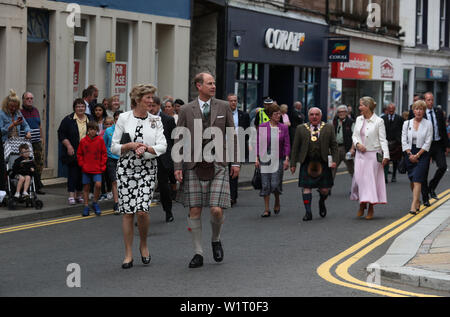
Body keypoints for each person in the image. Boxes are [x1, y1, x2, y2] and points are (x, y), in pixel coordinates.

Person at [174, 72, 240, 268]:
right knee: (195, 210)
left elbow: (232, 135)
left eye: (214, 83)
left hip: (218, 163)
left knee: (216, 209)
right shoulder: (186, 109)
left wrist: (235, 162)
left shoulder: (224, 106)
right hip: (193, 164)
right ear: (198, 86)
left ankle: (216, 238)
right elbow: (178, 138)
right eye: (209, 83)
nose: (213, 86)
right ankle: (198, 253)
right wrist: (178, 166)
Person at [111, 84, 167, 269]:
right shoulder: (124, 118)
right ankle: (128, 253)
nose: (151, 101)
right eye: (148, 97)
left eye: (152, 97)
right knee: (127, 212)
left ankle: (143, 244)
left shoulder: (155, 121)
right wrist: (130, 146)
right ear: (137, 99)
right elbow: (114, 147)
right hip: (126, 169)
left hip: (147, 169)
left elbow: (162, 146)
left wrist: (147, 148)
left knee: (142, 210)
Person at [290, 107, 337, 221]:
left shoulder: (328, 127)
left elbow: (334, 146)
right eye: (312, 114)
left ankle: (322, 201)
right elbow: (295, 147)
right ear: (308, 116)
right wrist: (293, 163)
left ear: (321, 116)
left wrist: (334, 160)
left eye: (317, 114)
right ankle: (308, 212)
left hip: (323, 161)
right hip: (307, 161)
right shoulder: (301, 128)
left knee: (325, 190)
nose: (314, 117)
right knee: (306, 187)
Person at [350, 97, 390, 220]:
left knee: (371, 182)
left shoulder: (379, 121)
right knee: (359, 179)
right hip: (360, 155)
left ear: (367, 106)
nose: (359, 107)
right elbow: (355, 135)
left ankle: (370, 206)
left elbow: (383, 139)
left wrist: (386, 155)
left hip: (373, 155)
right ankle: (362, 203)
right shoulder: (358, 119)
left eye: (361, 105)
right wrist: (357, 144)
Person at [256, 103, 290, 217]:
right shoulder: (263, 127)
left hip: (278, 158)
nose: (278, 116)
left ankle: (277, 200)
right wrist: (256, 158)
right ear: (270, 115)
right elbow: (258, 143)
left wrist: (287, 158)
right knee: (265, 184)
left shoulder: (283, 127)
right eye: (276, 114)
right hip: (265, 158)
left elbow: (287, 144)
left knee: (275, 183)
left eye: (279, 114)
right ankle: (266, 209)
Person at [57, 98, 93, 205]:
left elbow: (94, 132)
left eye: (82, 106)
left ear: (85, 108)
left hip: (86, 152)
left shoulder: (90, 118)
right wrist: (68, 146)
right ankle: (71, 195)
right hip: (73, 150)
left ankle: (79, 194)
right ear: (74, 108)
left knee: (83, 174)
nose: (80, 108)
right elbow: (61, 134)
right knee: (73, 173)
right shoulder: (68, 119)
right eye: (78, 106)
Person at [402, 100, 433, 215]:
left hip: (422, 154)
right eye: (416, 109)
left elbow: (428, 142)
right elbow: (403, 140)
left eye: (421, 109)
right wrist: (410, 154)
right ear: (413, 110)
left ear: (424, 111)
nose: (418, 111)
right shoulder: (407, 123)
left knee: (418, 179)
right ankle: (418, 200)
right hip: (409, 153)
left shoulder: (428, 124)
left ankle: (413, 205)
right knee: (412, 179)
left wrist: (417, 155)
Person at [149, 96, 176, 222]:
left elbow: (174, 140)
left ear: (160, 106)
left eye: (153, 105)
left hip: (162, 157)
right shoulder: (143, 119)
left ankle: (168, 211)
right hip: (147, 156)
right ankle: (142, 214)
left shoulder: (168, 120)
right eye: (149, 106)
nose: (151, 108)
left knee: (164, 186)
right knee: (145, 187)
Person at [420, 92, 448, 205]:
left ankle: (431, 187)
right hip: (425, 145)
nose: (430, 102)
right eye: (428, 100)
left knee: (443, 166)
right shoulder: (420, 113)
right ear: (424, 101)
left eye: (432, 100)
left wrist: (447, 145)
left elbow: (443, 129)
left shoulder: (439, 112)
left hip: (437, 144)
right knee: (424, 172)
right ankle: (425, 198)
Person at [77, 121, 107, 216]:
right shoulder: (83, 141)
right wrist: (82, 164)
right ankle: (86, 206)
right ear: (88, 130)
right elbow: (79, 154)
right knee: (86, 187)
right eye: (90, 129)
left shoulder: (100, 140)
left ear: (97, 130)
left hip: (97, 168)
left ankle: (95, 202)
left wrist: (102, 165)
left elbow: (104, 154)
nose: (92, 131)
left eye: (94, 129)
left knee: (98, 185)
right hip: (86, 168)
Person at [227, 93, 250, 205]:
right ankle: (225, 195)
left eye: (235, 101)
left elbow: (247, 132)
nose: (233, 103)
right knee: (224, 172)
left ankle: (232, 197)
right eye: (231, 101)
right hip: (224, 147)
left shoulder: (244, 115)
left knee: (234, 172)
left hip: (238, 147)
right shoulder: (222, 114)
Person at [21, 92, 45, 194]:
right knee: (27, 164)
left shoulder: (36, 110)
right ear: (23, 100)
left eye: (31, 98)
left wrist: (42, 137)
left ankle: (37, 184)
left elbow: (39, 125)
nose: (30, 100)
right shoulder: (20, 112)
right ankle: (27, 186)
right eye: (27, 98)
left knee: (39, 163)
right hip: (26, 142)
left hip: (37, 141)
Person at [103, 111, 122, 214]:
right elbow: (104, 144)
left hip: (123, 158)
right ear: (114, 120)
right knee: (114, 181)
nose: (118, 120)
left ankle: (124, 201)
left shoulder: (127, 131)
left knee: (122, 182)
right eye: (116, 118)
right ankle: (116, 203)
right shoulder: (108, 131)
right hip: (111, 159)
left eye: (120, 118)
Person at [382, 103, 404, 183]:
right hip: (386, 142)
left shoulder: (400, 119)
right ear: (387, 109)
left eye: (392, 109)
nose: (391, 110)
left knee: (395, 160)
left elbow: (403, 130)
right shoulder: (383, 118)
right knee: (386, 160)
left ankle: (394, 175)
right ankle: (385, 177)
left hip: (396, 142)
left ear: (394, 109)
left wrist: (401, 141)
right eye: (389, 108)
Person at [332, 105, 354, 179]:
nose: (341, 113)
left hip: (346, 149)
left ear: (346, 112)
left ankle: (357, 189)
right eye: (339, 112)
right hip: (336, 149)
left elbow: (355, 137)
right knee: (332, 168)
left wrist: (352, 149)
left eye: (343, 112)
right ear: (337, 113)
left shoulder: (351, 122)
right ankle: (327, 189)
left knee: (352, 170)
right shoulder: (334, 122)